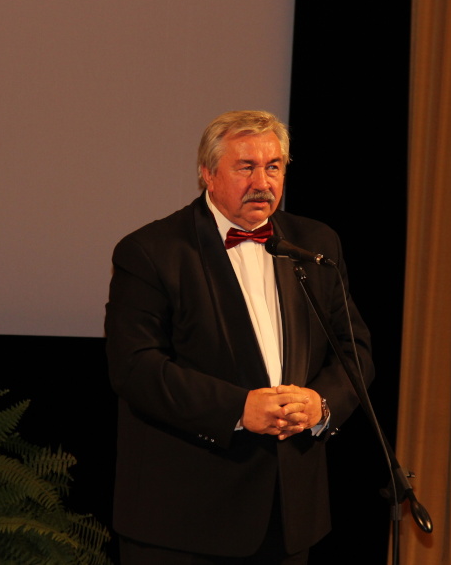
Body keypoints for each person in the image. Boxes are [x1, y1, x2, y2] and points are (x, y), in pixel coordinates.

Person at [105, 110, 373, 564]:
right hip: (184, 520)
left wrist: (321, 403)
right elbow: (135, 367)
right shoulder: (151, 251)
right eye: (246, 167)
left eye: (274, 167)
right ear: (207, 174)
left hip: (289, 517)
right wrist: (237, 409)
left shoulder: (316, 244)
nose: (262, 182)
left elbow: (354, 350)